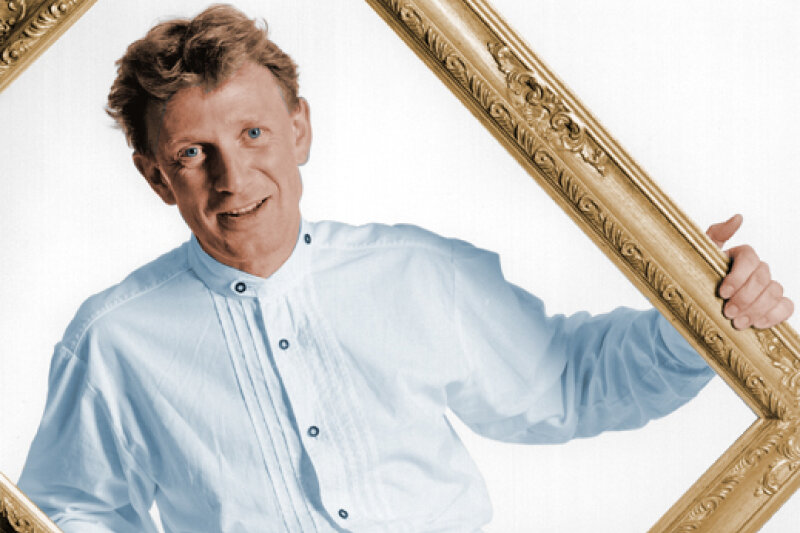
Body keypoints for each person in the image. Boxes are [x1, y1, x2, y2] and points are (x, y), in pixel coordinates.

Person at [17, 4, 794, 532]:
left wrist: (703, 309)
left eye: (253, 133)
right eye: (194, 152)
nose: (233, 177)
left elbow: (568, 381)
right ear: (156, 176)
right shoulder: (112, 340)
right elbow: (71, 512)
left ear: (299, 129)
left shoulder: (418, 274)